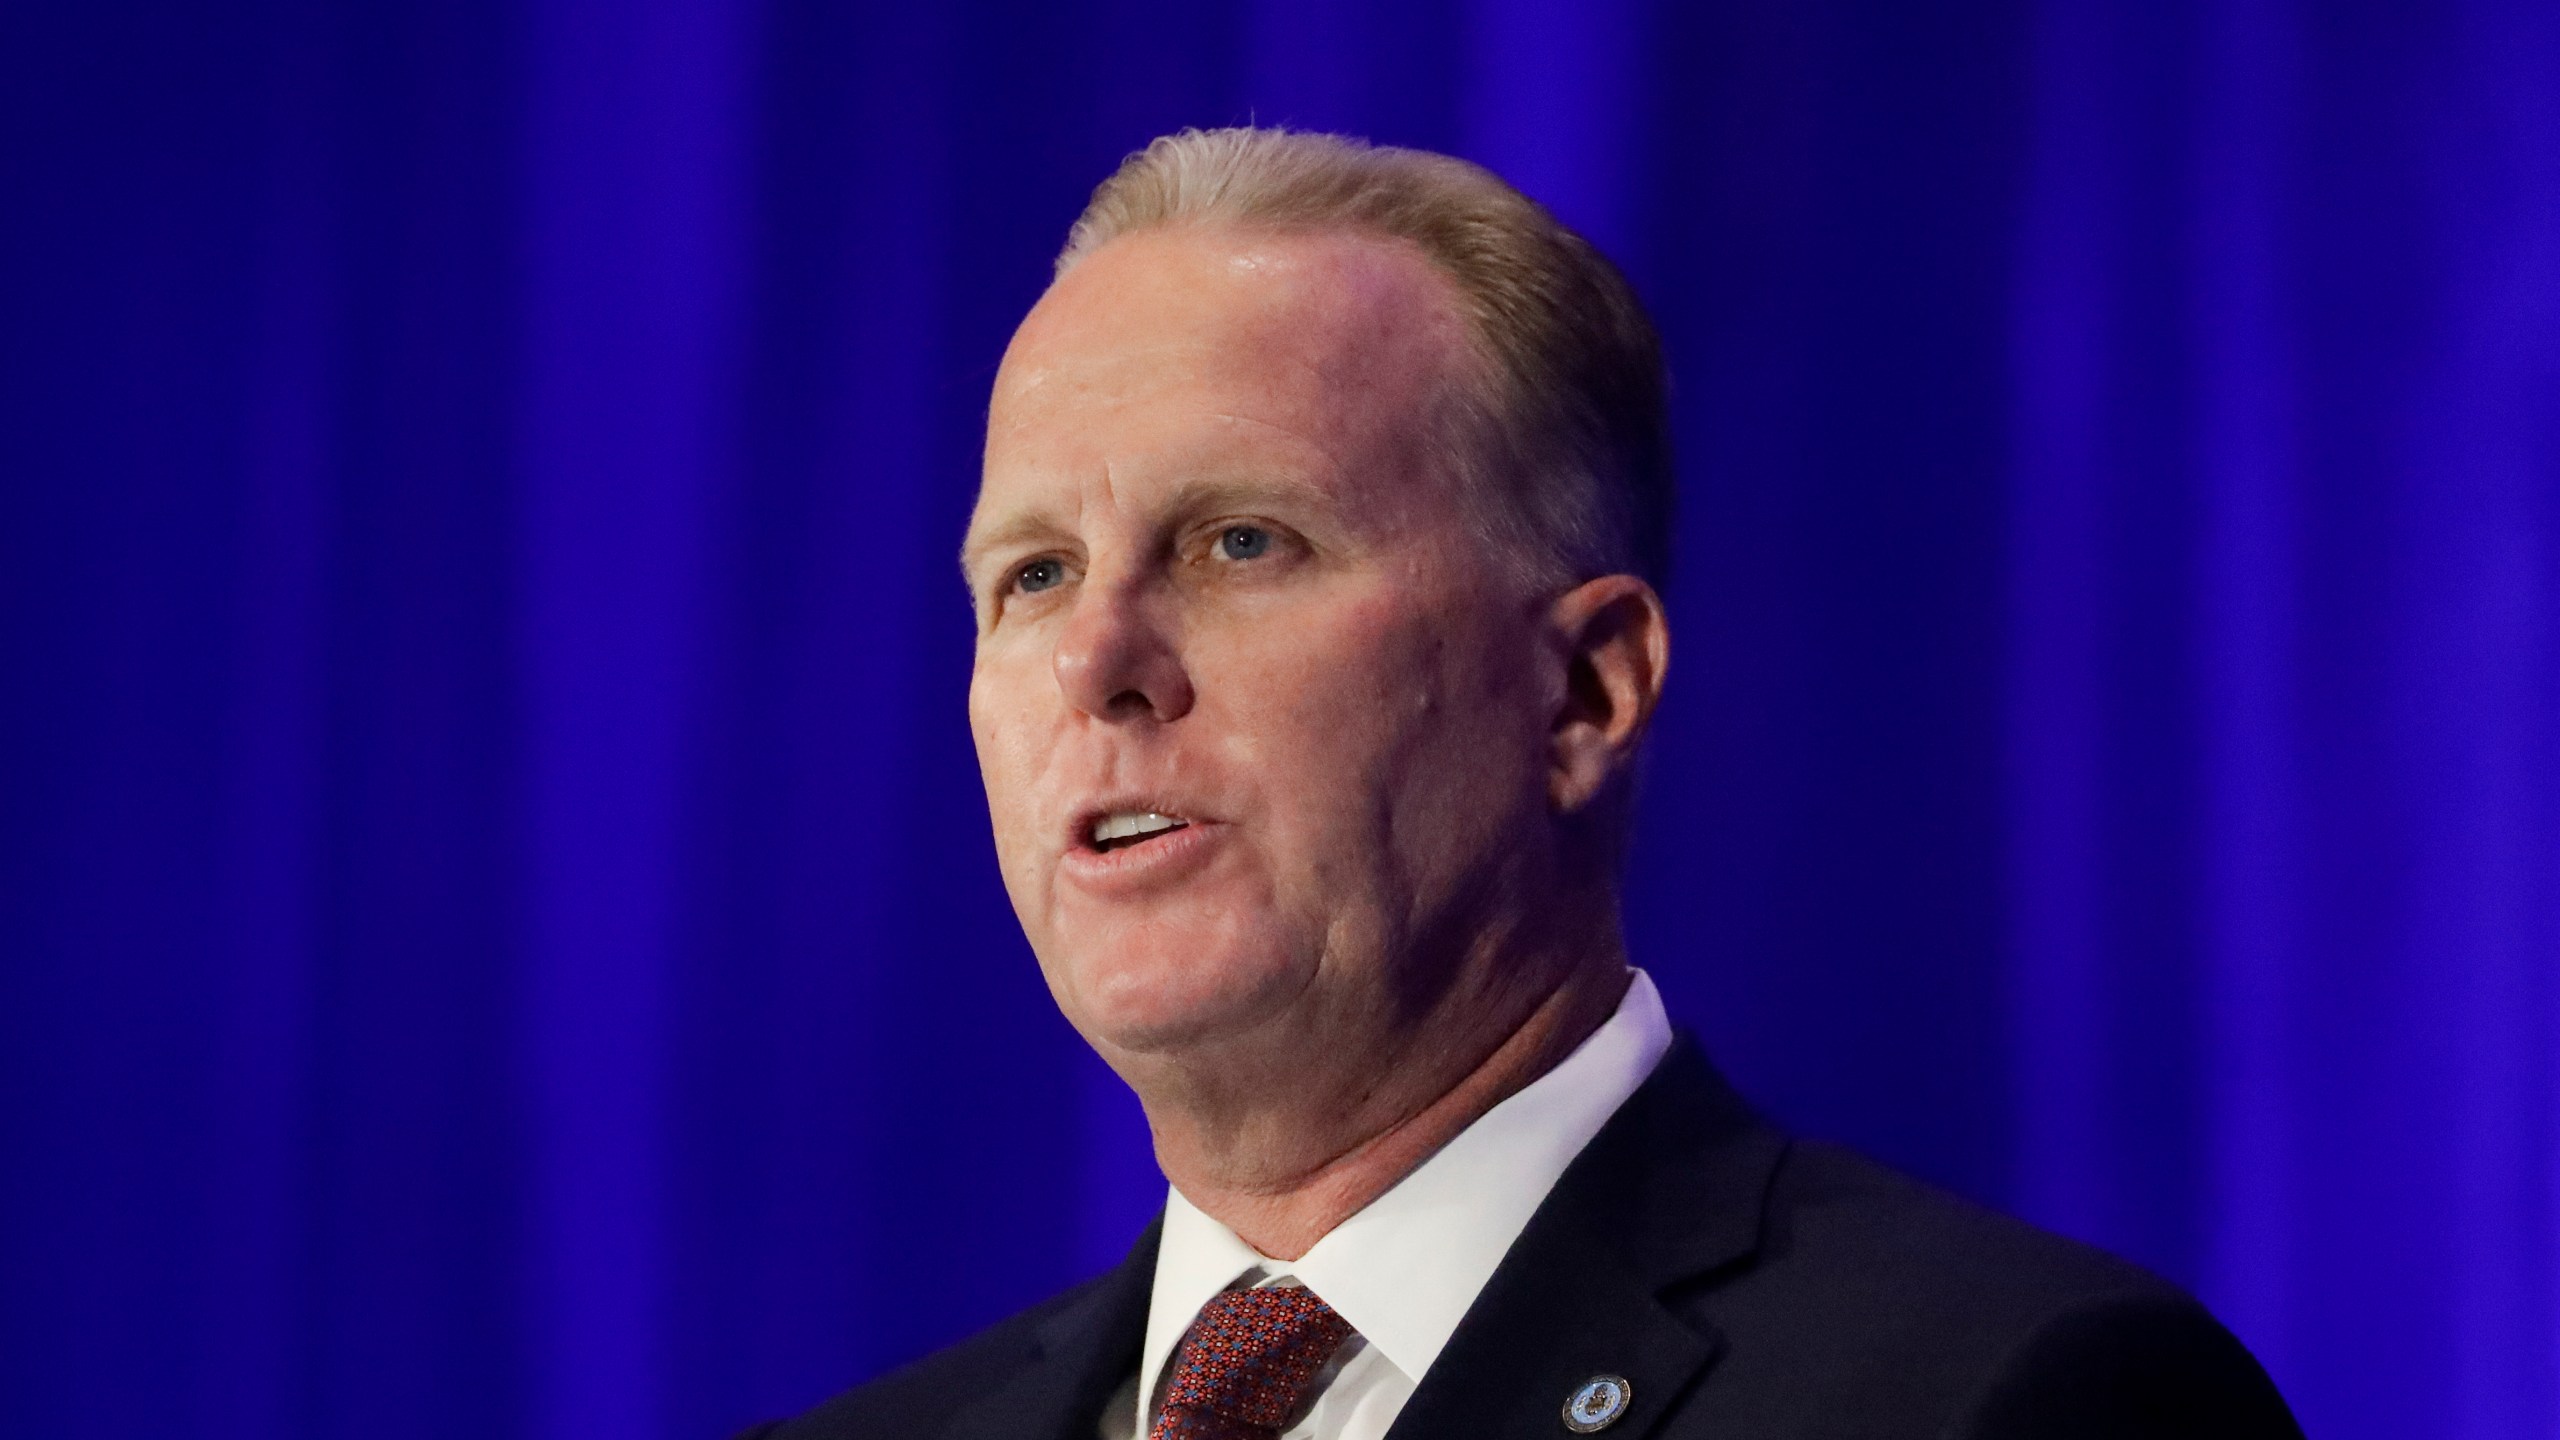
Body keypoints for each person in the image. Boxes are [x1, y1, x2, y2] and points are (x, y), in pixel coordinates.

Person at [741, 127, 2300, 1440]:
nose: (1099, 661)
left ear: (1583, 690)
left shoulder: (2011, 1400)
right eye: (1033, 574)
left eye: (1240, 542)